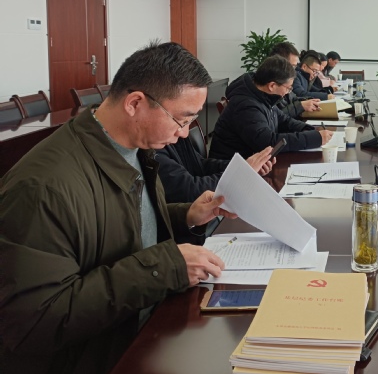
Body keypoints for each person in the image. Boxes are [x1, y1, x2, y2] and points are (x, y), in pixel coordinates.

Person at [0, 41, 254, 374]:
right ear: (135, 103)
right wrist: (165, 267)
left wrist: (186, 215)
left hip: (146, 324)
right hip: (101, 355)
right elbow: (35, 321)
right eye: (181, 120)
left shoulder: (134, 148)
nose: (183, 134)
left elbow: (121, 225)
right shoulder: (43, 188)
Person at [209, 56, 333, 159]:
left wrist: (309, 130)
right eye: (288, 88)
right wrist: (314, 138)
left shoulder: (262, 95)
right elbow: (267, 142)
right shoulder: (246, 105)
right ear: (272, 85)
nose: (288, 93)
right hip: (230, 169)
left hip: (252, 162)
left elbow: (283, 120)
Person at [156, 137, 274, 203]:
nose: (185, 133)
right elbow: (189, 191)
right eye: (184, 121)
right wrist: (241, 173)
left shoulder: (177, 133)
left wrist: (242, 167)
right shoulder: (154, 147)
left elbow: (201, 166)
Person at [270, 42, 321, 118]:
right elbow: (275, 118)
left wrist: (309, 100)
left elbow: (292, 98)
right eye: (292, 66)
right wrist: (300, 106)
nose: (294, 71)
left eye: (295, 67)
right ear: (279, 63)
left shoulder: (284, 80)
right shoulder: (270, 83)